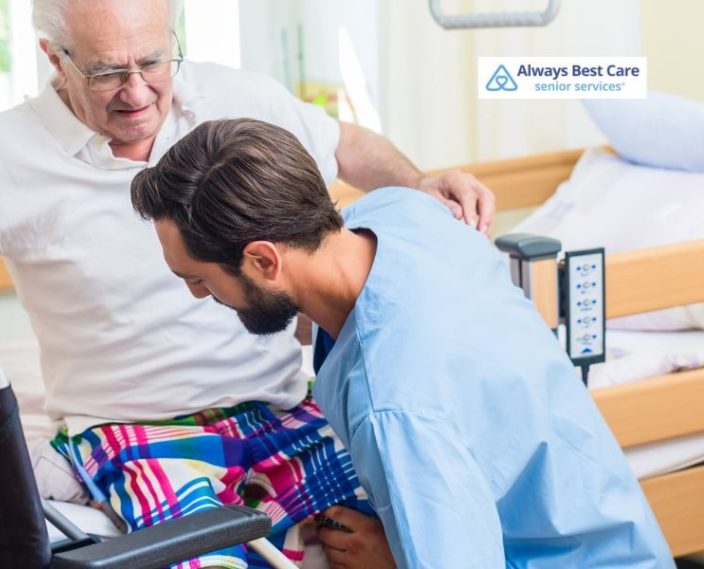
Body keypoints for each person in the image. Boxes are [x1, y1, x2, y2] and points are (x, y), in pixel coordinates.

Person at [0, 0, 494, 566]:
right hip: (137, 430)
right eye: (108, 72)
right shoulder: (0, 157)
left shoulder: (234, 97)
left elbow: (344, 143)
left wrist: (420, 183)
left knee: (421, 526)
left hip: (284, 407)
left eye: (151, 62)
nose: (138, 92)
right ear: (53, 58)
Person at [130, 117, 673, 568]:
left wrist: (399, 559)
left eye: (198, 278)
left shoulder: (394, 405)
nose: (197, 294)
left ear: (264, 260)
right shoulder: (399, 212)